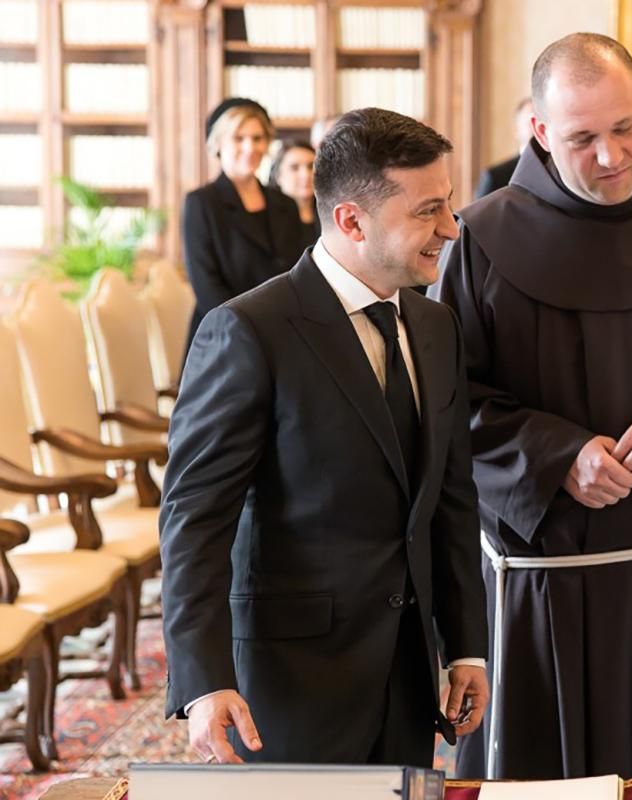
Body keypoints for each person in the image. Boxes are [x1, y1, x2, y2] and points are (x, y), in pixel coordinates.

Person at [431, 33, 632, 781]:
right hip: (539, 582)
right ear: (540, 132)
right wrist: (555, 456)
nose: (610, 156)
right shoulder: (480, 238)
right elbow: (451, 406)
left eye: (624, 128)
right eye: (582, 139)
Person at [160, 108, 489, 766]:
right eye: (428, 212)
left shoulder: (436, 327)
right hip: (289, 682)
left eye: (449, 206)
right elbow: (194, 517)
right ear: (351, 220)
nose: (451, 230)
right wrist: (203, 680)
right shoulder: (248, 331)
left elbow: (450, 500)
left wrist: (464, 645)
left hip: (408, 673)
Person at [181, 98, 306, 356]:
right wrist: (253, 336)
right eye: (239, 138)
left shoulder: (284, 204)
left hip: (281, 335)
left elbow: (297, 274)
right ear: (218, 144)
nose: (250, 147)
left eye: (258, 138)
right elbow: (207, 287)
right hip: (225, 339)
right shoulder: (202, 204)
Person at [473, 97, 533, 198]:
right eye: (530, 123)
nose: (537, 128)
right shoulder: (495, 177)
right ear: (517, 130)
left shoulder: (561, 173)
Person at [269, 138, 320, 247]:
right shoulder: (267, 218)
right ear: (278, 176)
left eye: (311, 166)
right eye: (294, 168)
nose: (305, 175)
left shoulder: (330, 214)